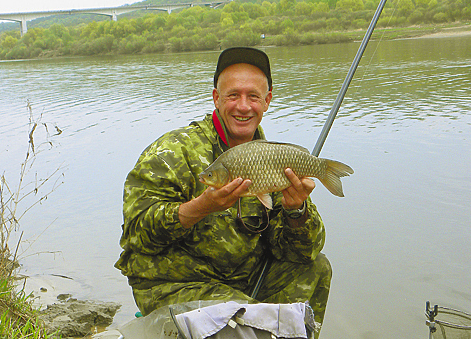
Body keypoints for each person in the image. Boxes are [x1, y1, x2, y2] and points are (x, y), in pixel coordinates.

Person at [115, 47, 332, 337]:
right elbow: (135, 234)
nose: (243, 106)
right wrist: (199, 207)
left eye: (253, 96)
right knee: (245, 317)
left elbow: (301, 252)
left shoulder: (273, 158)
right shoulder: (172, 151)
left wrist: (296, 212)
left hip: (240, 278)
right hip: (176, 281)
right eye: (233, 95)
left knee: (316, 268)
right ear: (217, 98)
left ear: (266, 101)